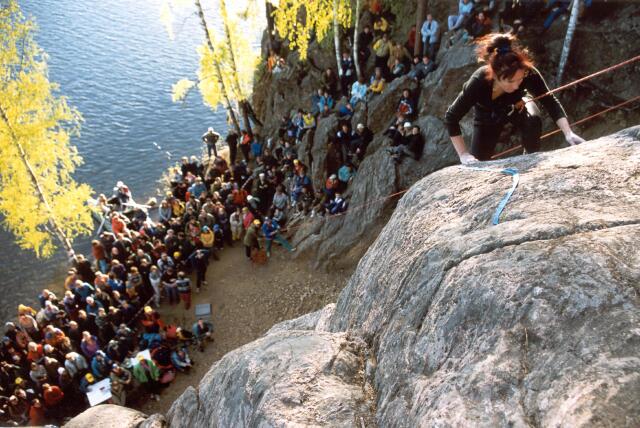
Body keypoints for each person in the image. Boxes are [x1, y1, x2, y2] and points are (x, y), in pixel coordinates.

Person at [444, 33, 585, 164]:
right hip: (487, 116)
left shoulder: (527, 72)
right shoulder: (479, 81)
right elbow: (451, 117)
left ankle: (530, 157)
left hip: (517, 106)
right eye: (511, 81)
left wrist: (568, 133)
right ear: (495, 76)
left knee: (533, 119)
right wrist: (463, 154)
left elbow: (549, 101)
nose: (517, 85)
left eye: (520, 79)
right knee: (479, 161)